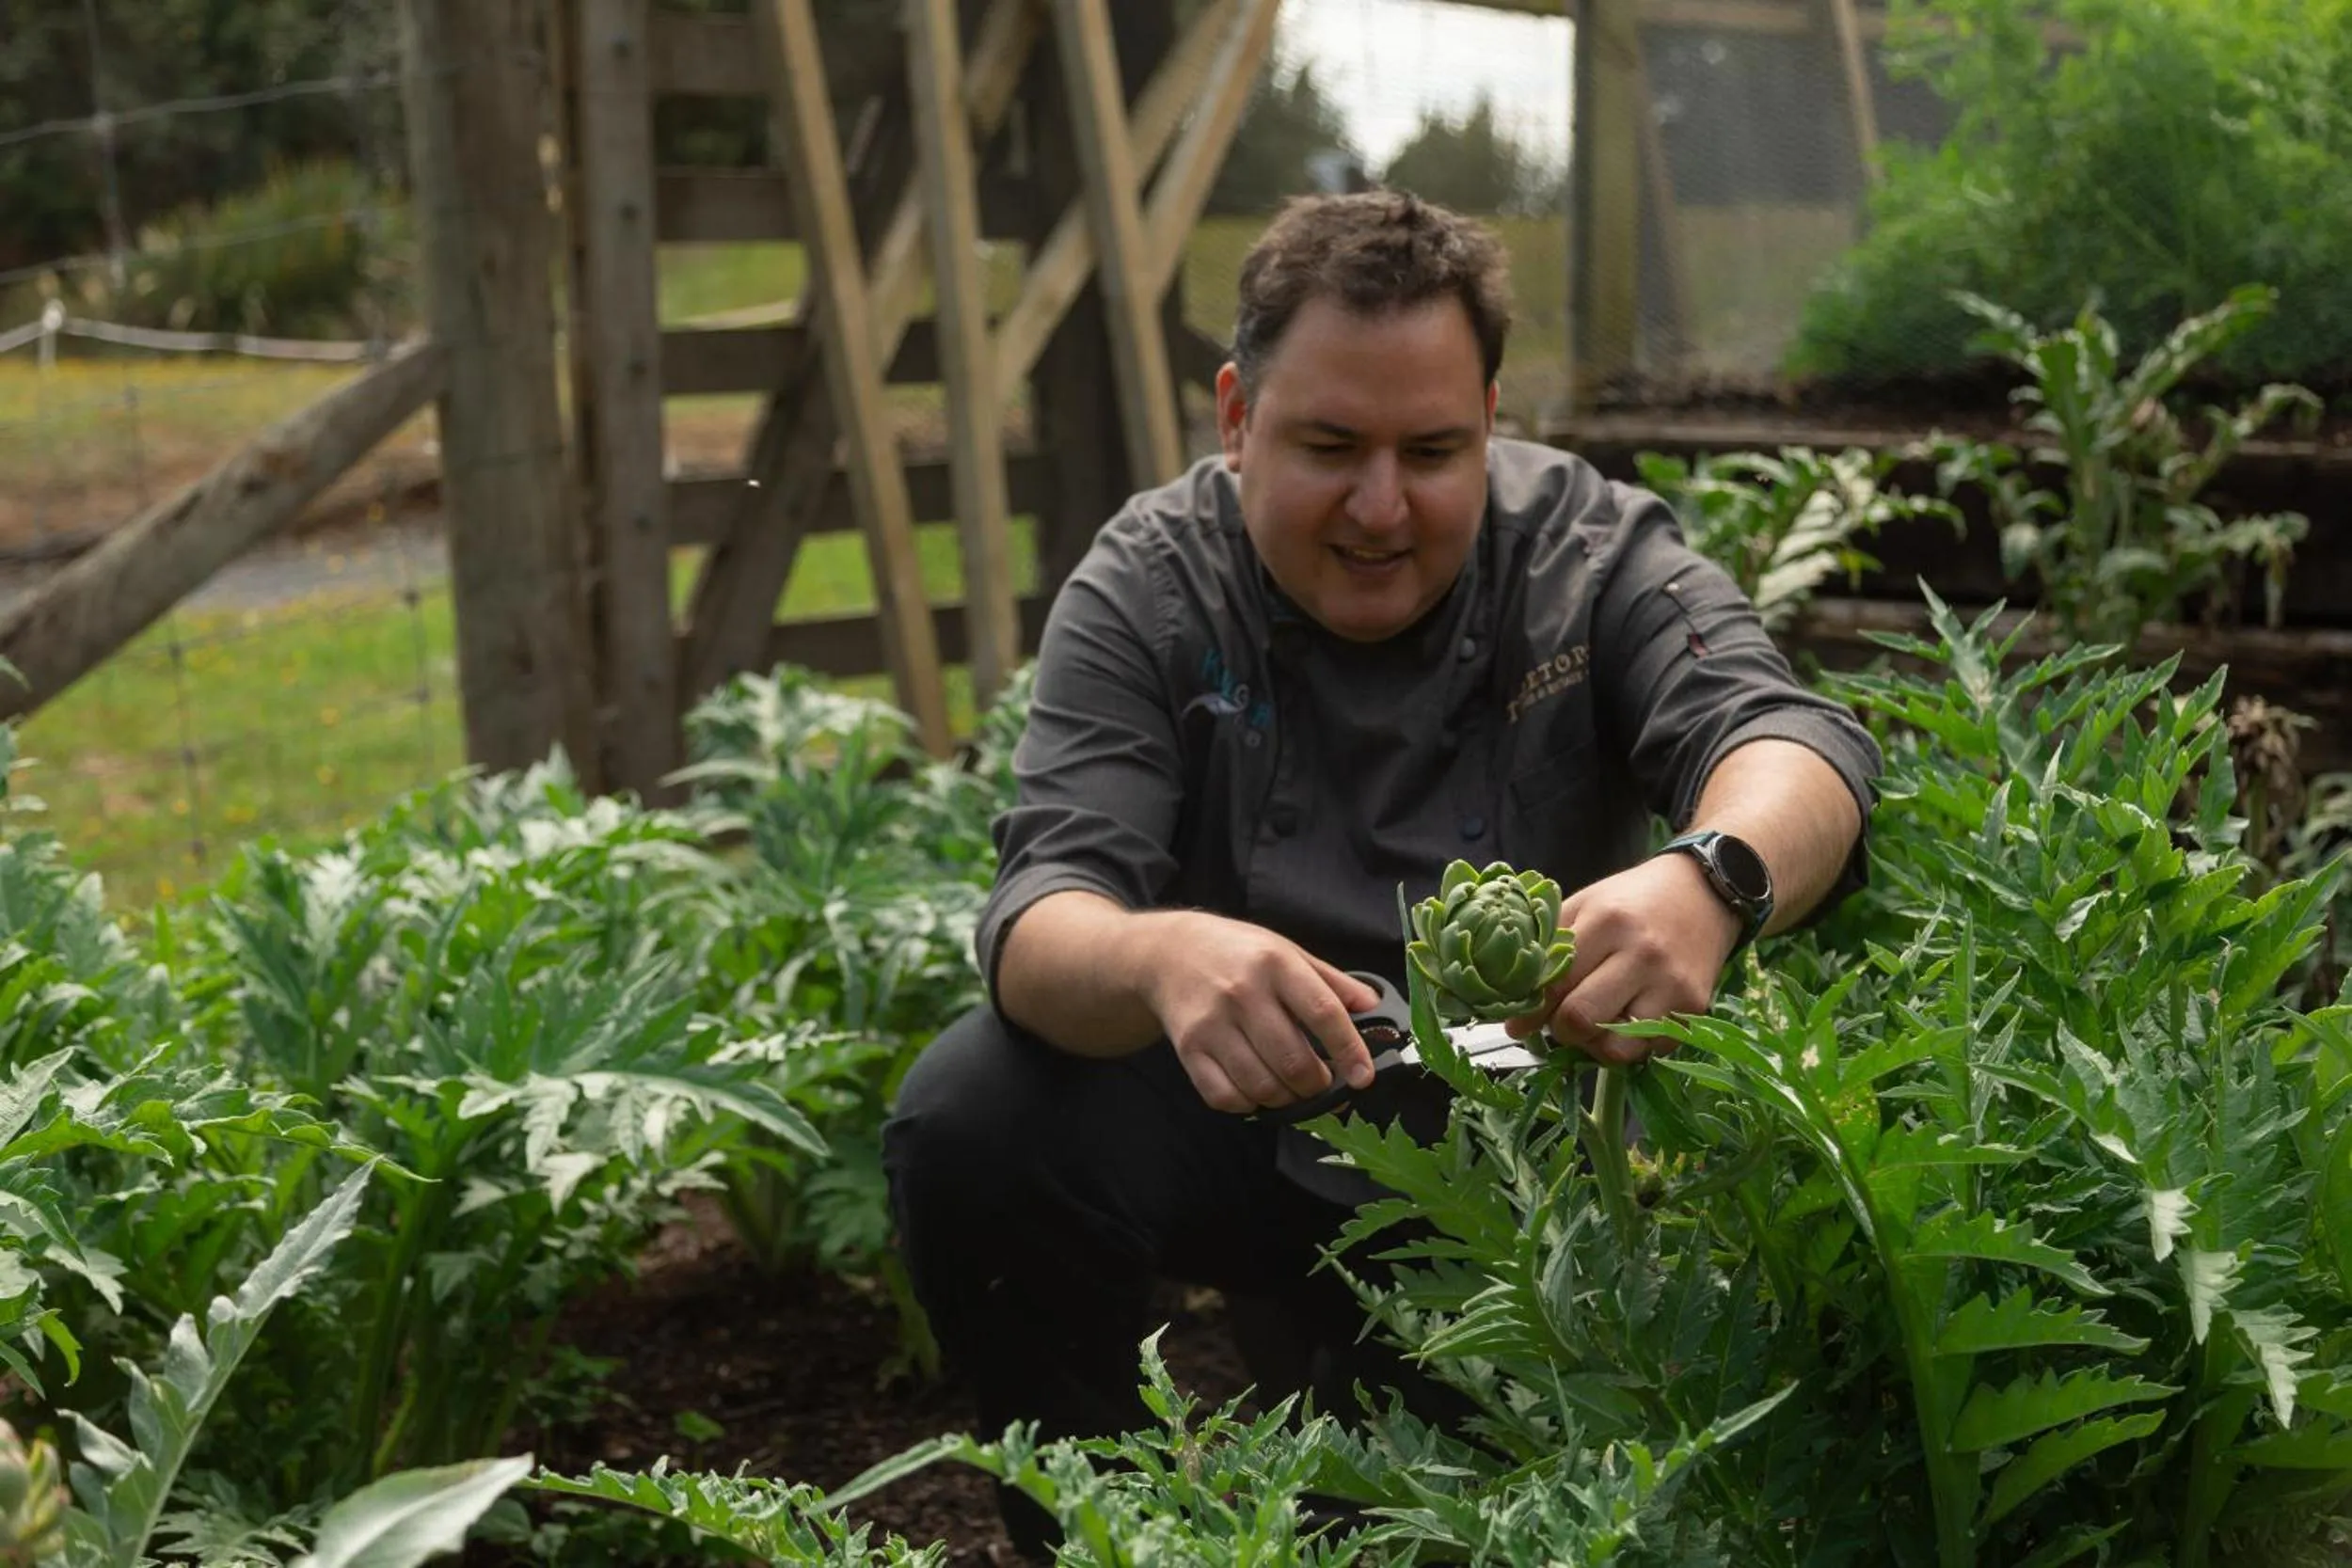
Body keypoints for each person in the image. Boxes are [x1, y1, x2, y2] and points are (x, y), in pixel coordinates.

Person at [881, 190, 1881, 1558]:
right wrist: (1165, 957)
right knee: (975, 1121)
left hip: (1514, 1165)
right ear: (1237, 417)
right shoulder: (1154, 585)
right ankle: (1100, 1530)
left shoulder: (1587, 558)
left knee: (1407, 1529)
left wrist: (1711, 877)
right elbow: (1042, 915)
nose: (1379, 507)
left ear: (1491, 422)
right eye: (1330, 445)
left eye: (1432, 450)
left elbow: (1796, 742)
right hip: (1236, 1119)